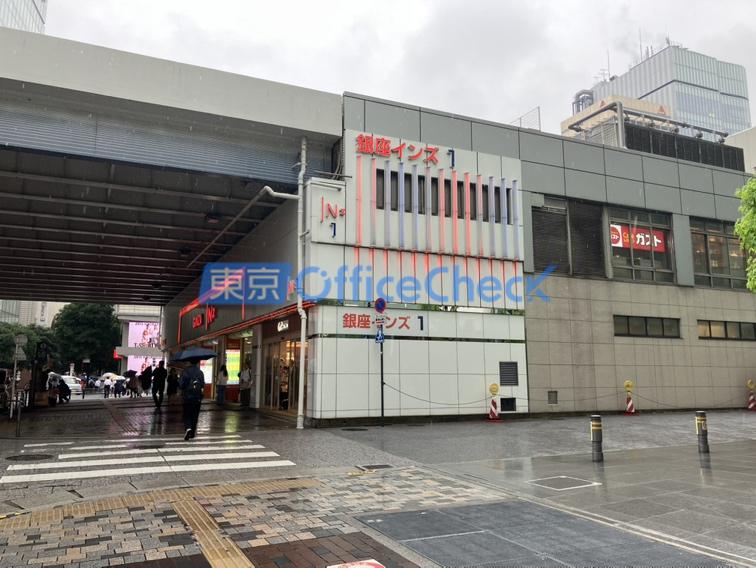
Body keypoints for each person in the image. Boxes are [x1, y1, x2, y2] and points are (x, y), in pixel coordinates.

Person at [179, 358, 205, 440]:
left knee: (186, 414)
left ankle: (188, 428)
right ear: (197, 363)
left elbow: (181, 385)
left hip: (187, 397)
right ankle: (192, 433)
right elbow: (202, 385)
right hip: (197, 397)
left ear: (189, 362)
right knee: (195, 415)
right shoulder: (200, 372)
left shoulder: (185, 372)